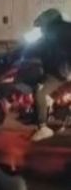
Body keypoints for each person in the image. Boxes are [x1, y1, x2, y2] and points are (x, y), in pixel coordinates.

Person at [26, 8, 71, 141]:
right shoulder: (63, 28)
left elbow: (46, 48)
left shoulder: (57, 33)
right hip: (59, 68)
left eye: (43, 26)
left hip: (62, 71)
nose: (41, 29)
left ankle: (43, 127)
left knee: (39, 90)